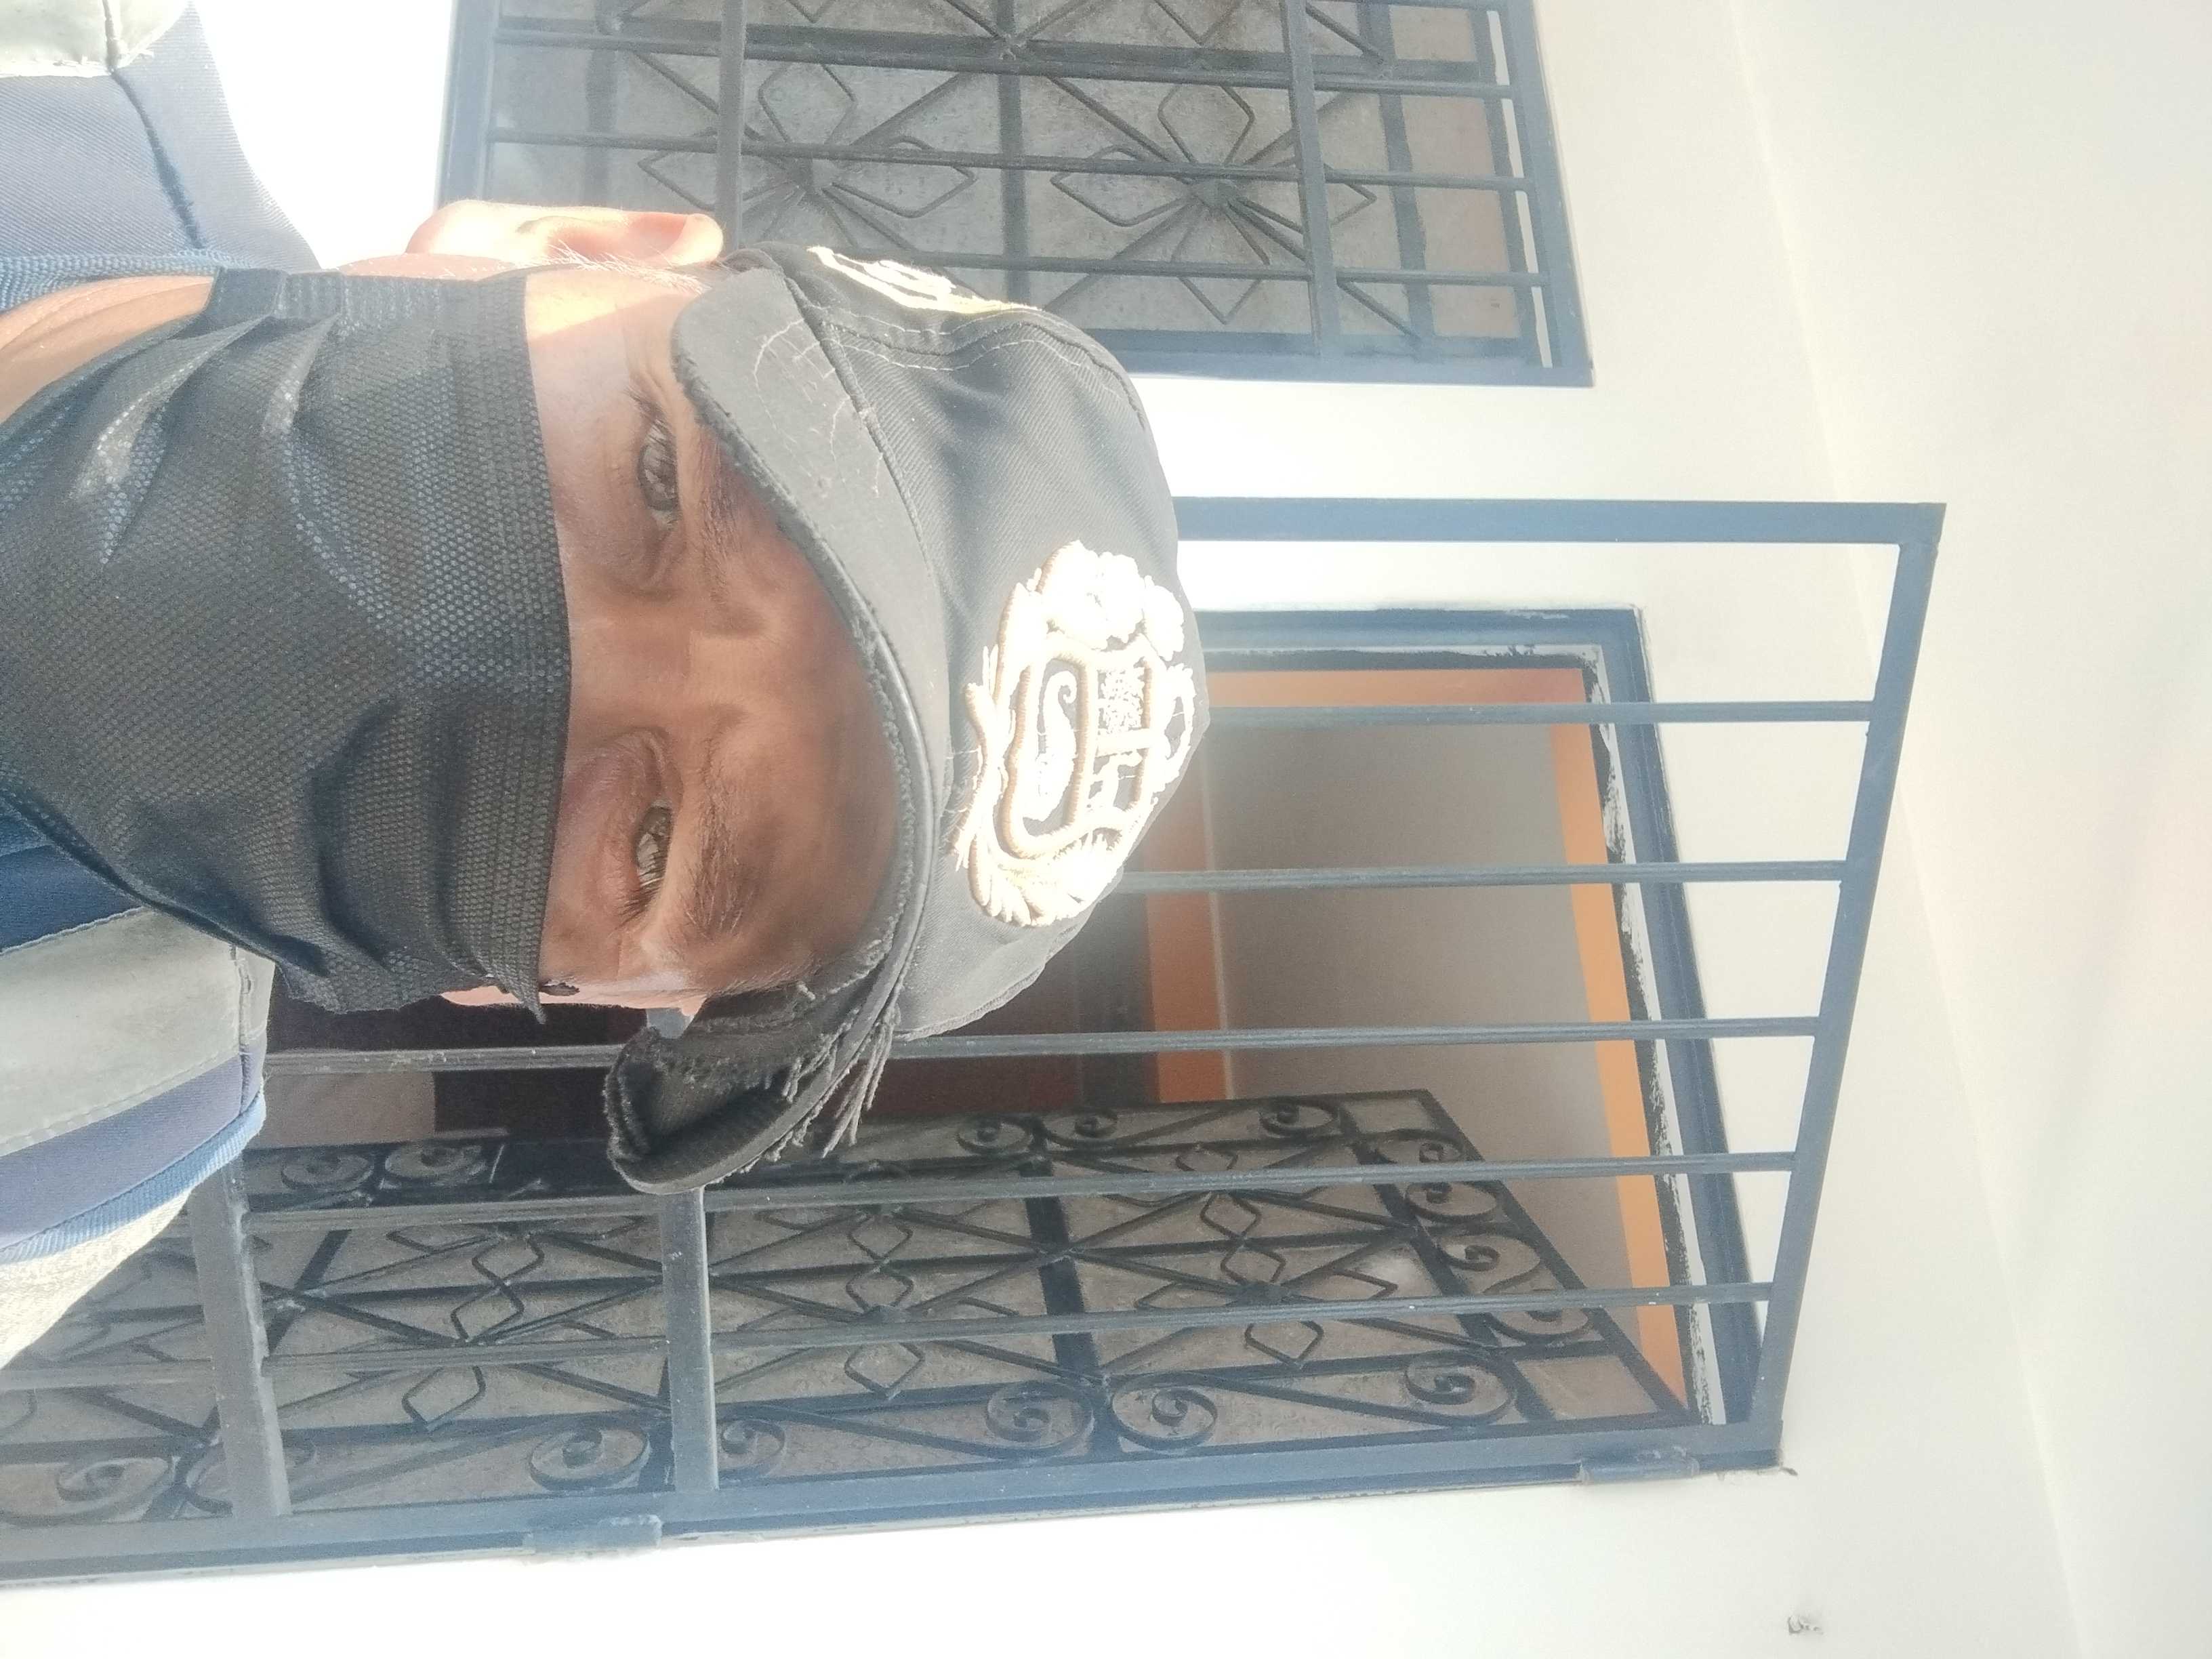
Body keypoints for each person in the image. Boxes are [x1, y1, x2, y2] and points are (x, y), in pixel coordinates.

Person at [0, 4, 1204, 1365]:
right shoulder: (53, 51)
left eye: (654, 845)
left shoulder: (65, 1157)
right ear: (568, 240)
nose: (516, 658)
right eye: (658, 474)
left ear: (525, 987)